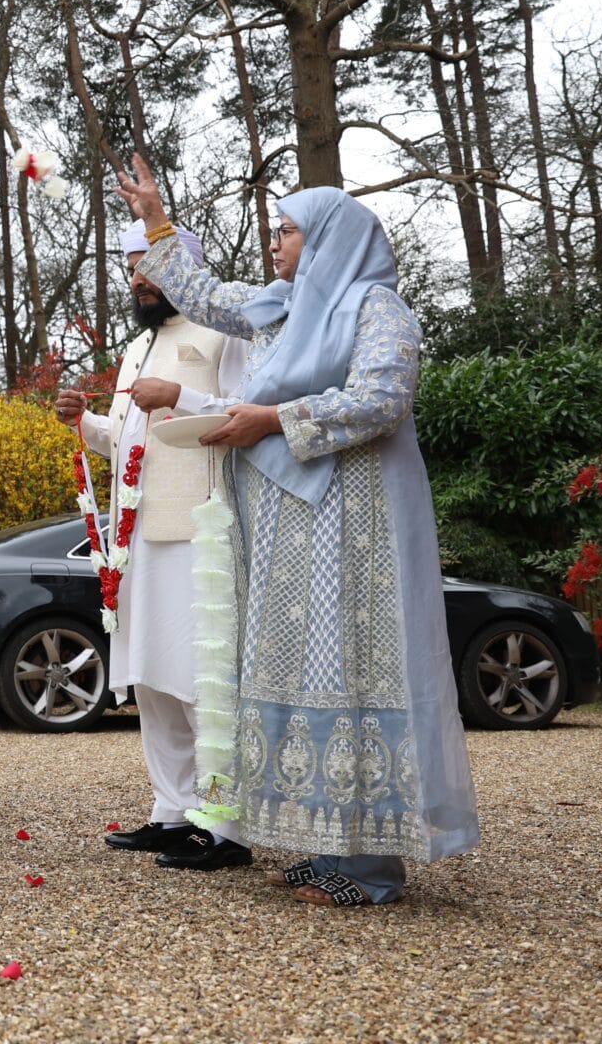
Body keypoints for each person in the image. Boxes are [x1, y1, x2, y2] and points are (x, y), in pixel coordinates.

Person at [113, 155, 479, 906]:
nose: (275, 241)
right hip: (288, 530)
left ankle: (374, 869)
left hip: (358, 527)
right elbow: (208, 296)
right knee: (304, 677)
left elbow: (382, 398)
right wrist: (157, 219)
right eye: (276, 228)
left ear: (330, 238)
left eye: (289, 230)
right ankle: (327, 846)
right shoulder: (283, 308)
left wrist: (270, 417)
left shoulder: (378, 307)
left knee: (354, 671)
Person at [53, 223, 251, 871]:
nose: (139, 281)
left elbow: (244, 416)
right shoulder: (140, 349)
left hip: (202, 535)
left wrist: (181, 395)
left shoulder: (223, 334)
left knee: (202, 683)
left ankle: (227, 826)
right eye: (133, 272)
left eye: (152, 269)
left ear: (183, 271)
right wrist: (82, 421)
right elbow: (123, 441)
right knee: (155, 682)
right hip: (136, 543)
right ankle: (173, 811)